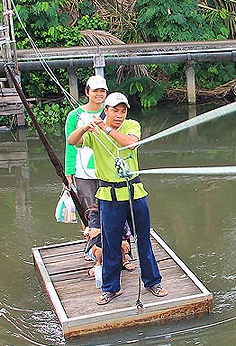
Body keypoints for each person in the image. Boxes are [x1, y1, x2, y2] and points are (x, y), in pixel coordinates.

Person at [67, 92, 167, 305]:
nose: (120, 115)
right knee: (111, 243)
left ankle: (152, 282)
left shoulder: (131, 126)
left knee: (143, 238)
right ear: (106, 110)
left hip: (134, 192)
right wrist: (85, 127)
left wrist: (106, 128)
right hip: (109, 196)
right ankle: (111, 288)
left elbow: (130, 144)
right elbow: (72, 141)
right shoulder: (95, 132)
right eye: (115, 110)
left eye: (123, 111)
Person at [65, 75, 108, 248]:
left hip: (107, 170)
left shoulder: (111, 111)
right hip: (84, 172)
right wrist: (69, 171)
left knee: (110, 209)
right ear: (87, 92)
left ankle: (113, 246)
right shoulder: (75, 115)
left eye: (102, 91)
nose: (99, 94)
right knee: (88, 211)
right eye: (95, 90)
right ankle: (91, 247)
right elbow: (70, 145)